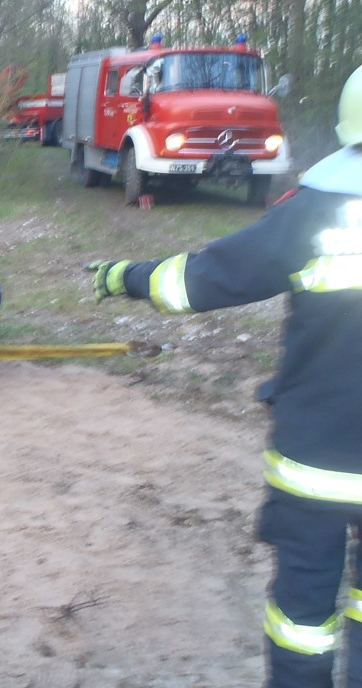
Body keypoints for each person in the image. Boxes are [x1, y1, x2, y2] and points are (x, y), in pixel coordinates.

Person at [90, 64, 362, 688]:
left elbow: (201, 280)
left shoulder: (314, 213)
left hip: (317, 463)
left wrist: (123, 276)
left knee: (302, 618)